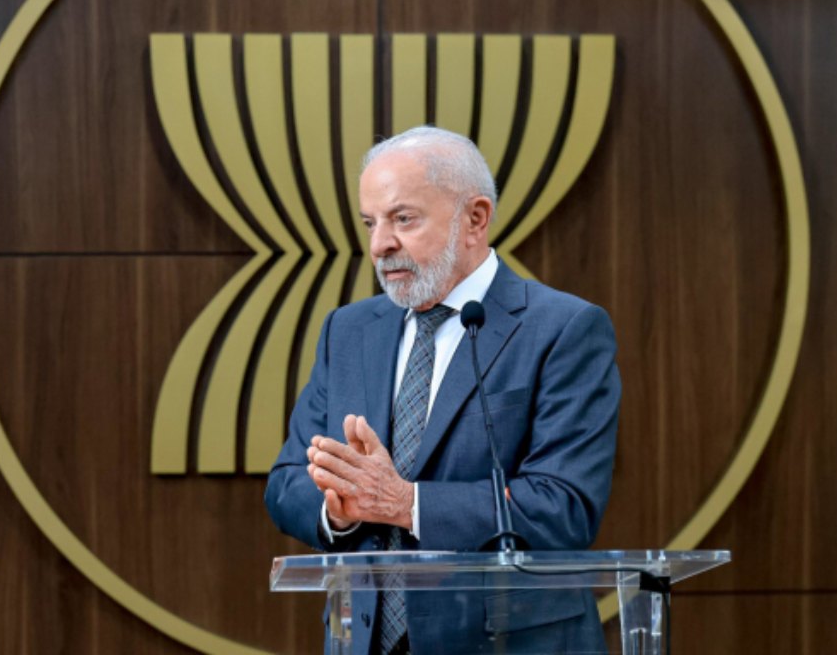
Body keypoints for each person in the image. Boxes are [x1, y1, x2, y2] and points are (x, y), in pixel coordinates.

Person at [265, 126, 621, 654]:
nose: (379, 244)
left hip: (508, 644)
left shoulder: (564, 329)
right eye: (371, 222)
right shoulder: (349, 330)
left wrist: (407, 503)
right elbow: (287, 482)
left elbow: (562, 507)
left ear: (474, 219)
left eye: (403, 219)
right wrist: (339, 509)